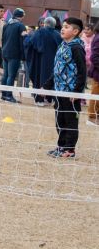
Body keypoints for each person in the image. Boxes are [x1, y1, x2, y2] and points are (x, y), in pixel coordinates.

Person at [42, 17, 86, 158]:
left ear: (75, 31)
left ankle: (69, 150)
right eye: (63, 26)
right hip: (58, 91)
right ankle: (61, 146)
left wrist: (77, 91)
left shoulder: (77, 48)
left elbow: (82, 71)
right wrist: (46, 86)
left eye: (67, 27)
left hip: (71, 93)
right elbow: (57, 70)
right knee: (59, 120)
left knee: (70, 121)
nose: (63, 28)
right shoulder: (62, 45)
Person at [31, 17, 61, 106]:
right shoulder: (57, 34)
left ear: (45, 23)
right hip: (53, 61)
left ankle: (39, 100)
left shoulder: (39, 32)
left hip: (40, 60)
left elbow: (32, 43)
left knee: (39, 77)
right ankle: (49, 98)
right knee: (50, 78)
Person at [0, 8, 27, 103]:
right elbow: (22, 42)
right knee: (11, 76)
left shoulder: (6, 25)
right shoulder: (20, 26)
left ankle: (3, 94)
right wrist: (23, 56)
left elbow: (3, 39)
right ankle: (9, 95)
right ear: (21, 16)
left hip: (5, 52)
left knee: (5, 75)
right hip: (15, 54)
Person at [87, 21, 99, 126]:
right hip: (98, 73)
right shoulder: (98, 37)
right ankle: (91, 118)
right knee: (95, 95)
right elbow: (94, 57)